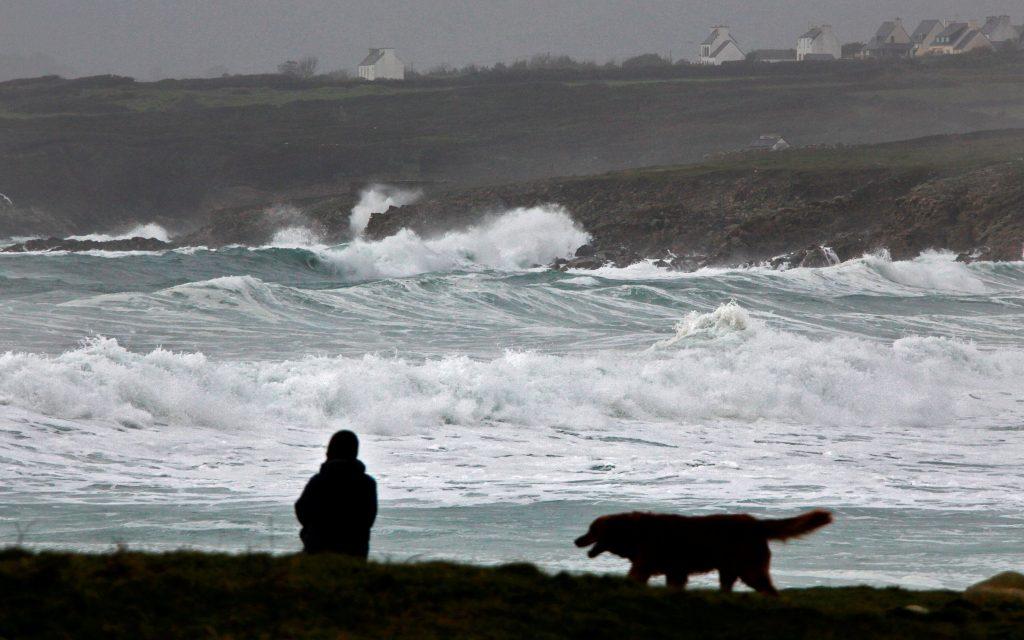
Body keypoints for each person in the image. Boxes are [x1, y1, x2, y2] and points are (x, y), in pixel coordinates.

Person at [295, 430, 378, 557]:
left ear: (331, 452)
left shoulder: (319, 480)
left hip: (318, 548)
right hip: (355, 551)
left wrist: (313, 529)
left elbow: (301, 508)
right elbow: (368, 519)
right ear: (354, 453)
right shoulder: (367, 483)